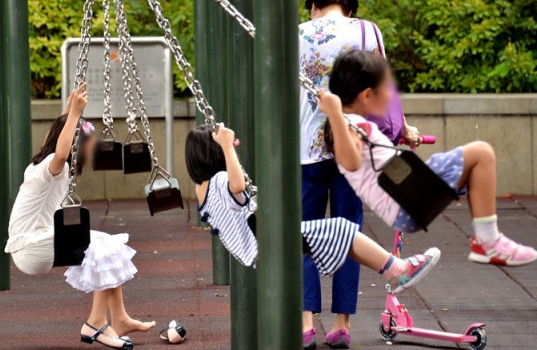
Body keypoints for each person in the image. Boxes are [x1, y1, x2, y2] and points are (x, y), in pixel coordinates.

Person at [319, 50, 537, 265]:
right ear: (367, 95)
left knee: (477, 166)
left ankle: (487, 241)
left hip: (407, 198)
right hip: (407, 198)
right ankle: (489, 241)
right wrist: (335, 114)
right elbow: (350, 161)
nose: (391, 95)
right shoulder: (348, 126)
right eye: (387, 88)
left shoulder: (353, 123)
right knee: (482, 152)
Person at [185, 123, 440, 305]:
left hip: (260, 249)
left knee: (340, 236)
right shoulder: (220, 180)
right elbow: (237, 186)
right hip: (269, 243)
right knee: (342, 227)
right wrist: (227, 145)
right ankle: (399, 270)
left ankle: (392, 271)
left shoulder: (201, 192)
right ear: (214, 153)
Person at [299, 0, 420, 349]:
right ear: (350, 7)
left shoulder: (294, 33)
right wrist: (401, 129)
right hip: (352, 147)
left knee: (303, 234)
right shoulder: (366, 31)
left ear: (314, 5)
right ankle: (341, 325)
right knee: (350, 234)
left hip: (305, 148)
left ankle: (305, 323)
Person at [5, 84, 155, 349]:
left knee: (110, 245)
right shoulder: (51, 168)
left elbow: (56, 138)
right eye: (90, 147)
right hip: (31, 247)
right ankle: (96, 323)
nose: (91, 153)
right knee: (99, 249)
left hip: (40, 241)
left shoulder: (43, 163)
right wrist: (74, 114)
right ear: (77, 147)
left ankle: (118, 319)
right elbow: (61, 151)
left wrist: (69, 110)